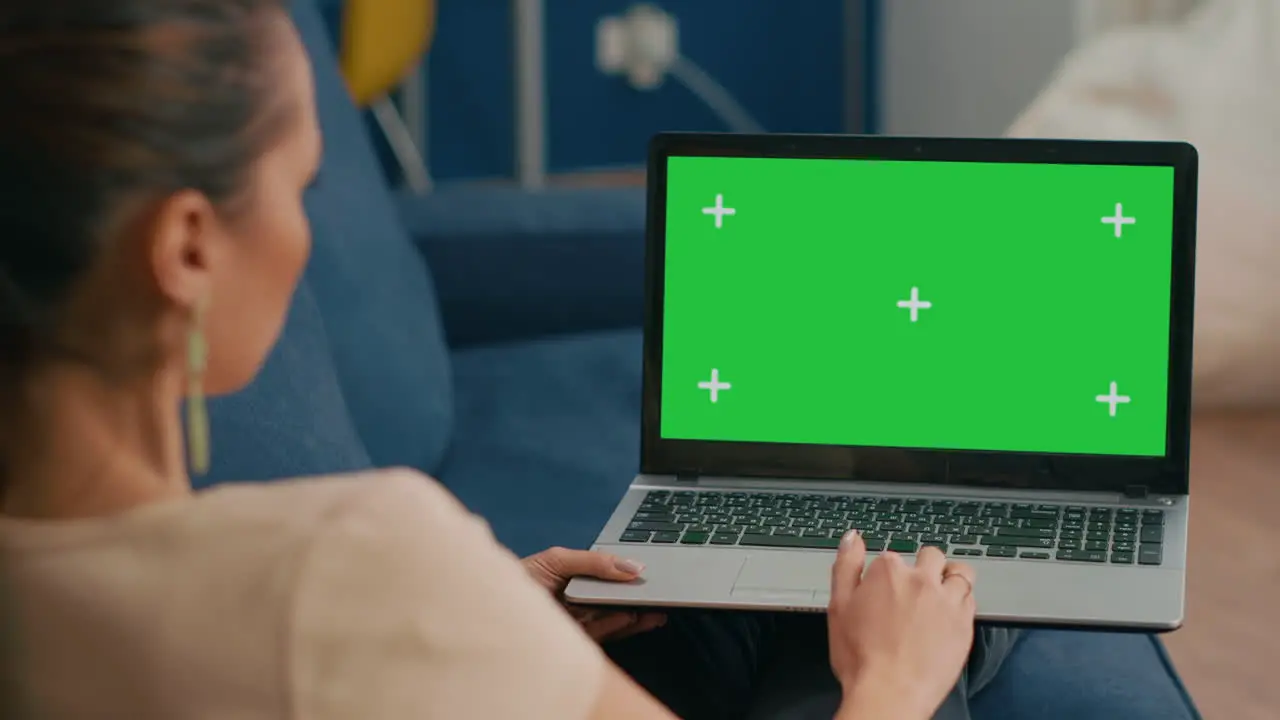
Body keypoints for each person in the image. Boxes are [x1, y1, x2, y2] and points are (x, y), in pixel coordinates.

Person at [0, 1, 1014, 718]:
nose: (307, 238)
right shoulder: (351, 559)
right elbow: (309, 616)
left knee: (740, 606)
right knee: (906, 628)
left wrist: (474, 624)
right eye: (299, 186)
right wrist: (889, 687)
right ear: (185, 249)